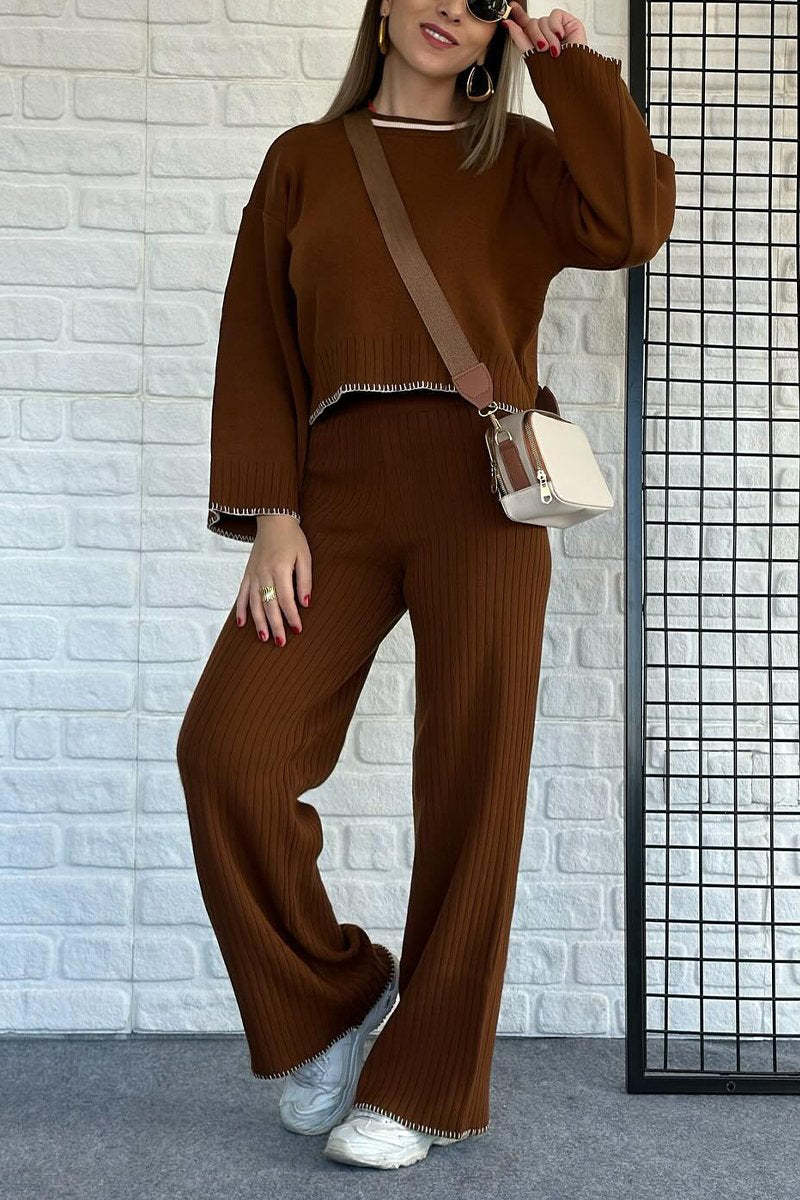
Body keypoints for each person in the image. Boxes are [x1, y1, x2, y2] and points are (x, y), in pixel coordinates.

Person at [176, 0, 676, 1172]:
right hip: (332, 502)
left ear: (500, 26)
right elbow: (256, 340)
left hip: (482, 495)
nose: (448, 7)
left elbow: (630, 220)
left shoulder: (521, 157)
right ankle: (333, 1006)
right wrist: (271, 514)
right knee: (229, 754)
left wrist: (569, 68)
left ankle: (428, 1084)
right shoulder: (304, 160)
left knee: (470, 786)